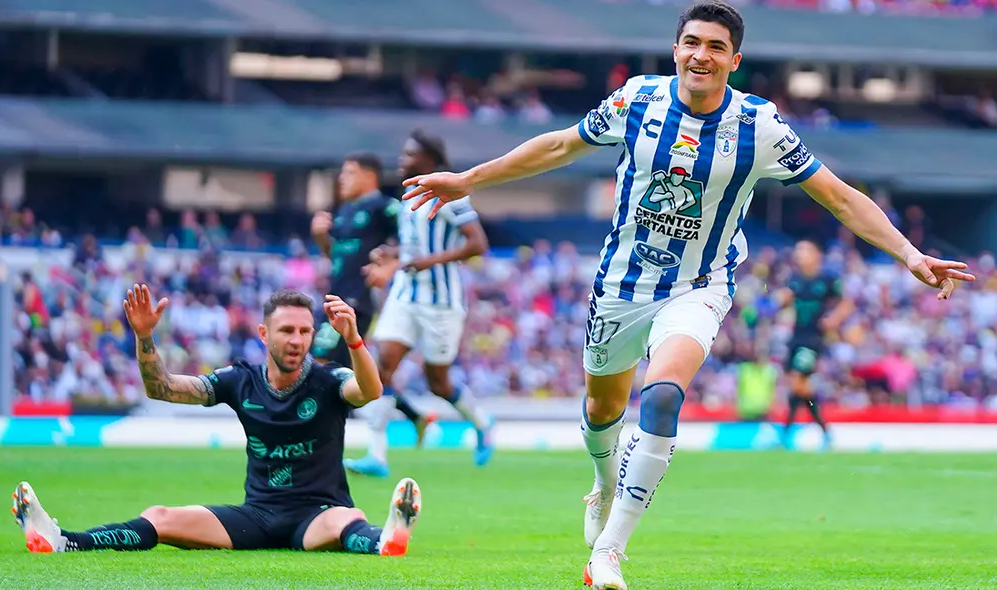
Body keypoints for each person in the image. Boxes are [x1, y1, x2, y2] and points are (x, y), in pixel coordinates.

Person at [400, 2, 976, 587]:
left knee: (662, 395)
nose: (702, 55)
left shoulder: (761, 127)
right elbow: (558, 147)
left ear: (734, 60)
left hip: (700, 286)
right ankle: (602, 485)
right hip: (622, 285)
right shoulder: (636, 101)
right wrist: (468, 179)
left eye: (716, 47)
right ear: (676, 49)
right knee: (603, 410)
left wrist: (908, 252)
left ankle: (610, 552)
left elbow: (840, 196)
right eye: (692, 43)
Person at [12, 285, 421, 556]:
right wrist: (144, 336)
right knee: (161, 516)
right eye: (286, 331)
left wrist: (353, 339)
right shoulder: (238, 380)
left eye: (304, 331)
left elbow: (369, 391)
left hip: (318, 513)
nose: (297, 340)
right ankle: (66, 542)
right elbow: (163, 389)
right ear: (264, 333)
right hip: (257, 516)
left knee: (348, 520)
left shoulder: (328, 379)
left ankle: (385, 540)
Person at [345, 129, 495, 478]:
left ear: (430, 160)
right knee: (381, 370)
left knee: (437, 383)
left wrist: (429, 261)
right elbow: (413, 247)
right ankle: (376, 455)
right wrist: (393, 253)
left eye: (410, 154)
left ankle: (483, 424)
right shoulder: (409, 197)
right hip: (404, 295)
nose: (402, 160)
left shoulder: (452, 196)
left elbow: (477, 244)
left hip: (440, 301)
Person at [310, 152, 431, 444]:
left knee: (320, 360)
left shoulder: (385, 208)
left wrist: (391, 264)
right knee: (353, 371)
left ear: (369, 176)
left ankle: (320, 431)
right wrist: (321, 239)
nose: (342, 178)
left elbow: (415, 242)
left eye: (349, 172)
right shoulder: (345, 211)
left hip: (357, 300)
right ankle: (414, 415)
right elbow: (337, 256)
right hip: (335, 296)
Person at [776, 239, 852, 450]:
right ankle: (821, 432)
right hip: (795, 337)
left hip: (813, 338)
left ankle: (790, 432)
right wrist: (782, 300)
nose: (799, 255)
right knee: (799, 387)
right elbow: (786, 300)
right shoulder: (795, 278)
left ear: (817, 254)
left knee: (797, 382)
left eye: (804, 250)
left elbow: (846, 302)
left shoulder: (828, 278)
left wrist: (834, 319)